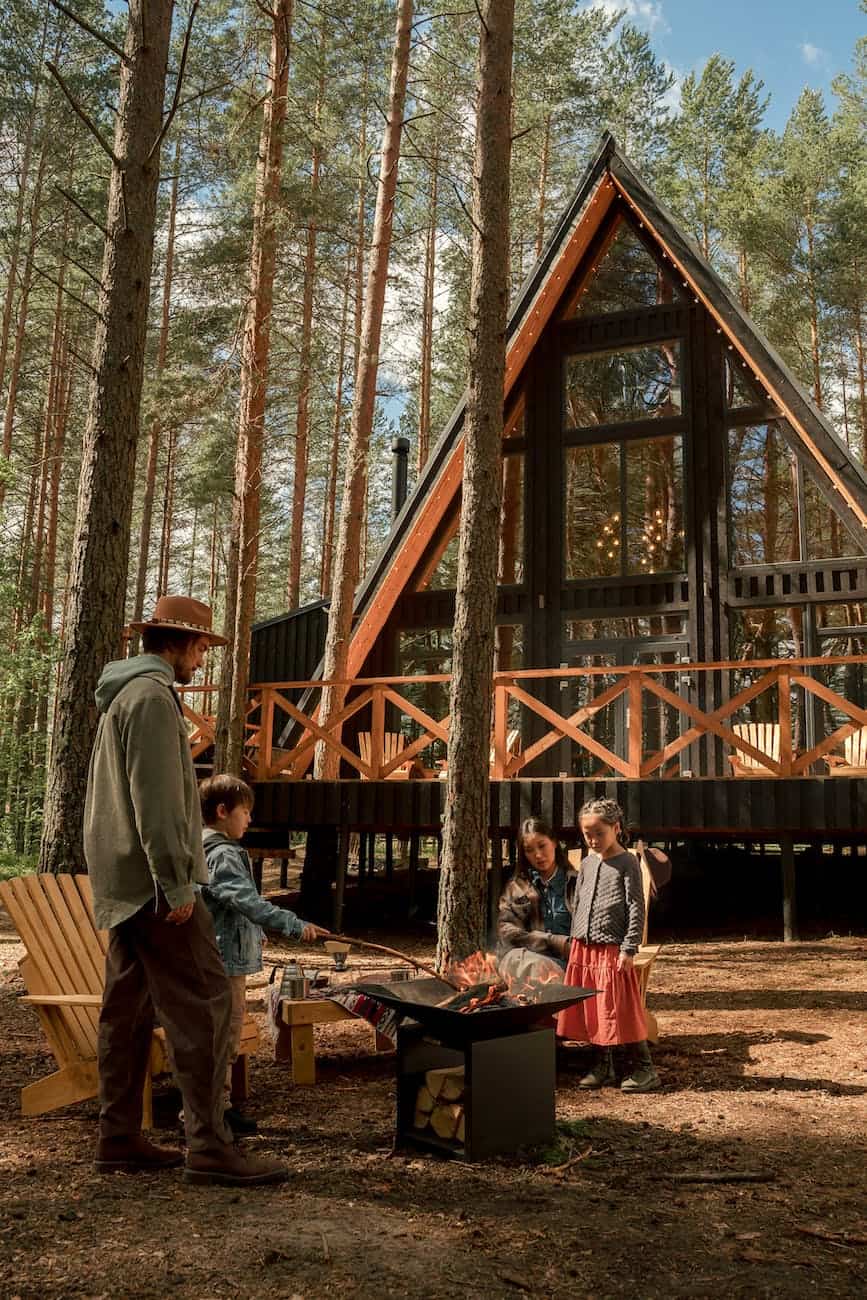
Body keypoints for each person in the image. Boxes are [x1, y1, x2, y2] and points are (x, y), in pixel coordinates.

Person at [84, 594, 287, 1186]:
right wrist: (176, 882)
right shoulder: (149, 699)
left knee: (125, 1013)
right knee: (205, 1005)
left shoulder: (126, 695)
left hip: (127, 881)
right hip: (154, 884)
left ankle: (118, 1138)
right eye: (202, 647)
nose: (203, 659)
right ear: (179, 644)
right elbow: (158, 803)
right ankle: (210, 1147)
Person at [199, 773, 326, 1134]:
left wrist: (255, 931)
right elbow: (246, 901)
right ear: (223, 811)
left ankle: (217, 1108)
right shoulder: (221, 854)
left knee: (225, 1035)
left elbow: (228, 904)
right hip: (221, 963)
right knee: (222, 1038)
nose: (250, 819)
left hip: (223, 956)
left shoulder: (211, 850)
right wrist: (294, 924)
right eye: (245, 812)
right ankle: (211, 1113)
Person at [557, 798, 660, 1093]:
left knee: (620, 1008)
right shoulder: (588, 863)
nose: (592, 839)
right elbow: (578, 902)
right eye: (587, 834)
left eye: (599, 833)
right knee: (594, 1008)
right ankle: (603, 1064)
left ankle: (645, 1069)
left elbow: (636, 908)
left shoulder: (627, 862)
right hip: (585, 948)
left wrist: (629, 948)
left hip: (613, 949)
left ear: (616, 828)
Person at [497, 817, 578, 983]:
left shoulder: (575, 884)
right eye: (529, 850)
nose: (538, 855)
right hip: (527, 960)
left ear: (554, 842)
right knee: (516, 960)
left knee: (536, 969)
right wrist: (550, 941)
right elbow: (506, 930)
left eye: (542, 846)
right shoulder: (517, 887)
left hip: (568, 966)